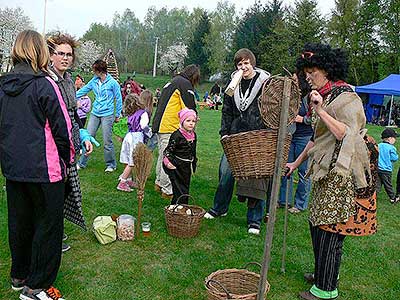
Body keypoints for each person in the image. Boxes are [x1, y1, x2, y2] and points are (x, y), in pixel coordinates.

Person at [286, 43, 374, 300]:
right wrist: (296, 163)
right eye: (306, 71)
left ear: (327, 69)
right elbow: (317, 139)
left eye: (312, 71)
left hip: (340, 173)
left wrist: (321, 110)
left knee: (330, 230)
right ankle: (322, 272)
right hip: (324, 171)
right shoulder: (325, 95)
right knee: (317, 225)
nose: (307, 76)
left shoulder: (348, 97)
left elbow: (344, 133)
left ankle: (326, 289)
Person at [0, 29, 74, 300]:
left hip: (14, 169)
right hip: (44, 170)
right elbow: (63, 129)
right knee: (48, 225)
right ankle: (37, 287)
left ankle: (19, 275)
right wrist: (69, 161)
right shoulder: (44, 84)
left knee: (20, 221)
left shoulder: (2, 85)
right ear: (40, 51)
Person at [204, 48, 271, 235]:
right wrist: (224, 132)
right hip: (234, 135)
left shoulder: (265, 83)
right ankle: (219, 208)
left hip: (257, 136)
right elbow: (226, 111)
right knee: (225, 172)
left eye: (246, 63)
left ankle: (254, 220)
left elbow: (271, 110)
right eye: (240, 64)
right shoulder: (232, 84)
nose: (244, 67)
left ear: (253, 63)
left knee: (255, 178)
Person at [47, 33, 94, 253]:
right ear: (50, 55)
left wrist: (82, 134)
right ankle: (52, 235)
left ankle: (56, 229)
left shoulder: (67, 80)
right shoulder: (46, 80)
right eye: (61, 53)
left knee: (65, 191)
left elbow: (72, 114)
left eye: (69, 54)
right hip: (53, 147)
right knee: (53, 194)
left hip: (70, 145)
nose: (65, 58)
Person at [152, 64, 200, 199]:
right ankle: (167, 190)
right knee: (170, 158)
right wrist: (194, 117)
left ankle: (159, 183)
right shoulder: (184, 84)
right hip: (170, 126)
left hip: (159, 124)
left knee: (162, 155)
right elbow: (189, 107)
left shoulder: (172, 82)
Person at [76, 59, 123, 172]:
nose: (93, 72)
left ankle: (111, 165)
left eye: (94, 70)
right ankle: (81, 163)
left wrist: (117, 114)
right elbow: (83, 90)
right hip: (95, 113)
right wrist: (70, 96)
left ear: (99, 71)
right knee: (87, 137)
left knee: (107, 141)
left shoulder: (113, 83)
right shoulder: (94, 81)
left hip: (108, 114)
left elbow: (119, 98)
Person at [278, 71, 313, 213]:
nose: (292, 81)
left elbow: (317, 117)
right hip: (290, 136)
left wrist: (302, 119)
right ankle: (283, 200)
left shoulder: (310, 96)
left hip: (305, 137)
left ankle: (300, 204)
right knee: (286, 169)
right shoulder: (290, 96)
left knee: (304, 172)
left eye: (295, 79)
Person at [118, 91, 153, 192]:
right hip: (136, 137)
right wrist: (150, 134)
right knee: (133, 161)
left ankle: (128, 179)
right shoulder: (143, 113)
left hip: (128, 136)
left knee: (127, 158)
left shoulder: (131, 114)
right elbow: (144, 126)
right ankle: (122, 182)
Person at [163, 108, 198, 204]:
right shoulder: (176, 135)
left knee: (185, 187)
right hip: (177, 166)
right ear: (182, 121)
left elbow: (193, 151)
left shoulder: (193, 135)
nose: (191, 123)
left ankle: (182, 206)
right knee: (178, 188)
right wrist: (168, 163)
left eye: (193, 121)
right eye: (188, 121)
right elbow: (168, 151)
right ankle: (177, 206)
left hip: (186, 167)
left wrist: (193, 162)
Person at [377, 128, 399, 203]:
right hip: (386, 170)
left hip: (378, 169)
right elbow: (394, 158)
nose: (395, 140)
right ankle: (392, 198)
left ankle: (373, 196)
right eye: (394, 138)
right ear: (389, 139)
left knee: (377, 184)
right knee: (388, 185)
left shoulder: (378, 145)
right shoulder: (391, 148)